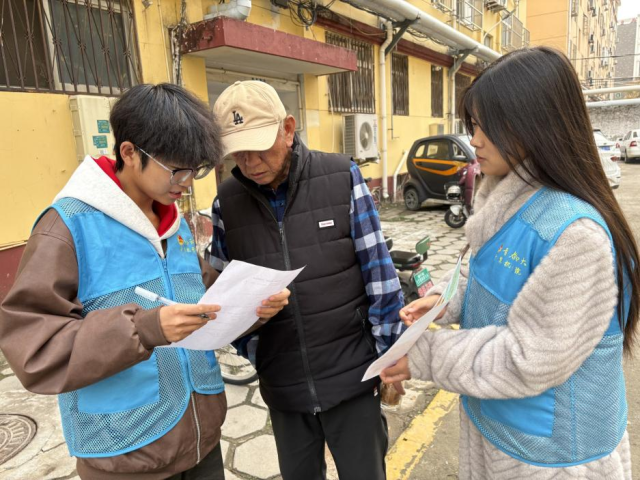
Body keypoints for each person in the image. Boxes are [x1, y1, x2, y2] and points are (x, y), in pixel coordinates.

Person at [0, 83, 289, 480]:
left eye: (196, 170)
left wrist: (254, 306)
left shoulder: (174, 224)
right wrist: (145, 329)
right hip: (127, 452)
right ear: (129, 153)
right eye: (177, 169)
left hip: (200, 439)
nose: (187, 182)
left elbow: (204, 299)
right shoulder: (67, 227)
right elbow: (34, 347)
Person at [381, 46, 640, 479]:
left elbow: (529, 355)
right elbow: (490, 273)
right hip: (499, 425)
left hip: (551, 457)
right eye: (473, 125)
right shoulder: (508, 196)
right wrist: (445, 300)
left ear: (536, 123)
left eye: (488, 126)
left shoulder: (576, 234)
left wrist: (424, 356)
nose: (474, 140)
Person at [209, 80, 404, 480]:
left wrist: (389, 358)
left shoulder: (342, 177)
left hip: (353, 377)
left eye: (259, 147)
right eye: (238, 152)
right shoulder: (226, 203)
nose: (249, 162)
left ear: (288, 129)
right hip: (284, 388)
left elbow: (380, 276)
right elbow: (222, 298)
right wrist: (257, 349)